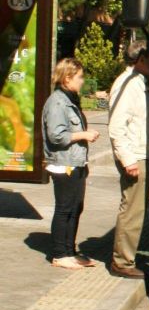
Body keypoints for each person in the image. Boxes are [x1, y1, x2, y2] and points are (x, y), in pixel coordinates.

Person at [108, 41, 149, 279]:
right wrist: (128, 160)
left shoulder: (140, 83)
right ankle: (122, 261)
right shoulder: (127, 84)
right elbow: (116, 127)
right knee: (133, 209)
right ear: (141, 59)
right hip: (137, 158)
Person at [42, 58, 100, 270]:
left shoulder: (69, 99)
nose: (83, 81)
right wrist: (84, 134)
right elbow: (56, 135)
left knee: (75, 207)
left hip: (75, 162)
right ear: (67, 78)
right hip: (63, 163)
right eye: (80, 77)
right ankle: (60, 254)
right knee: (65, 208)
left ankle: (70, 251)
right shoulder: (57, 102)